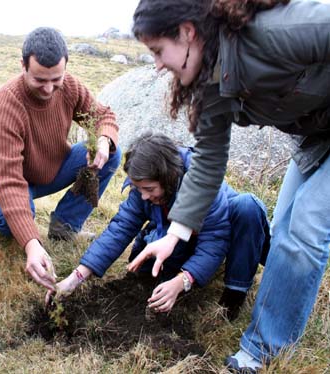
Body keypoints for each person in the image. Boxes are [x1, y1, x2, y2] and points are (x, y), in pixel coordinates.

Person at [127, 0, 330, 372]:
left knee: (306, 229)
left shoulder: (275, 33)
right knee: (284, 231)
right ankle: (266, 338)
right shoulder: (211, 83)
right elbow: (207, 164)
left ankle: (260, 352)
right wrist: (173, 236)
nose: (157, 65)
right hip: (315, 139)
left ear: (187, 32)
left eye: (158, 51)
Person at [47, 131, 269, 321]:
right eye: (139, 188)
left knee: (247, 207)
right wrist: (75, 278)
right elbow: (120, 228)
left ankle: (234, 293)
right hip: (178, 239)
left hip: (223, 234)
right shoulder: (144, 190)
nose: (143, 196)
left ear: (168, 178)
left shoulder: (205, 185)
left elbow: (214, 241)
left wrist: (183, 281)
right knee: (153, 257)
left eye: (149, 189)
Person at [0, 27, 121, 291]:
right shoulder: (5, 105)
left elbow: (104, 116)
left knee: (112, 152)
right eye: (39, 80)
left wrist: (103, 139)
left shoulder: (68, 86)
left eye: (55, 79)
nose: (48, 89)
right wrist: (32, 244)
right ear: (23, 65)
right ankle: (15, 218)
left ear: (65, 66)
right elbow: (10, 181)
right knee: (10, 225)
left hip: (55, 166)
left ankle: (64, 226)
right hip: (10, 179)